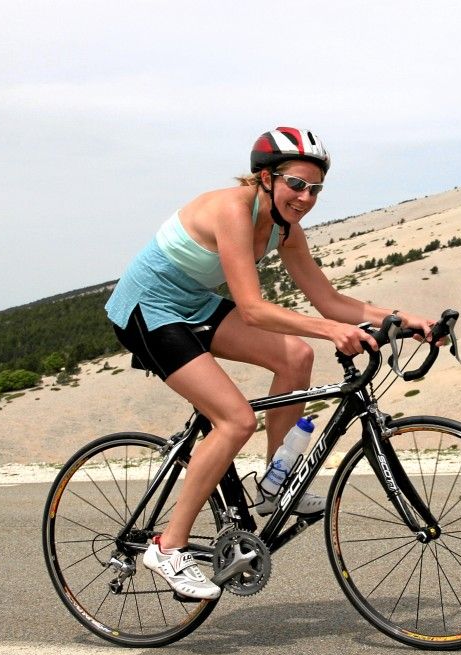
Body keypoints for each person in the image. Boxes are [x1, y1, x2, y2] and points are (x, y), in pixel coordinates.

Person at [105, 126, 436, 600]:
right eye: (296, 184)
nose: (306, 196)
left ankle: (276, 485)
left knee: (296, 355)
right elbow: (255, 308)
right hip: (148, 309)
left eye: (315, 188)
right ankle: (168, 547)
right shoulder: (232, 209)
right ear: (265, 177)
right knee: (235, 419)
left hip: (194, 306)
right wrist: (332, 333)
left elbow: (330, 300)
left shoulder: (284, 227)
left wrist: (406, 320)